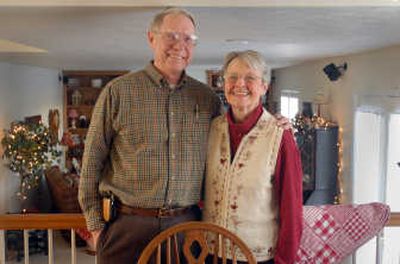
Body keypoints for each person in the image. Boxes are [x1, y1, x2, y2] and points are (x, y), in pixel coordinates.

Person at [78, 8, 291, 263]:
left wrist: (273, 122)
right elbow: (91, 163)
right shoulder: (118, 93)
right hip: (127, 226)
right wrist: (96, 227)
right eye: (171, 36)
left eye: (189, 39)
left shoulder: (208, 99)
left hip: (187, 230)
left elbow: (235, 129)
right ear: (151, 38)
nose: (180, 45)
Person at [203, 50, 303, 264]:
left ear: (264, 86)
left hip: (257, 257)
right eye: (232, 77)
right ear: (223, 84)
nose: (240, 84)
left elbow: (292, 208)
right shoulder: (211, 129)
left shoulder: (279, 135)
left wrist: (285, 260)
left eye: (250, 78)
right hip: (208, 253)